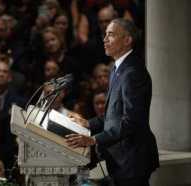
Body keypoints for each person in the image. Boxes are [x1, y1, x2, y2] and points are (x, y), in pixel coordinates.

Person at [65, 18, 159, 186]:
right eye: (105, 35)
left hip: (132, 159)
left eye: (111, 35)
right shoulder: (118, 68)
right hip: (122, 159)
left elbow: (131, 121)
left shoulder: (133, 72)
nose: (105, 40)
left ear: (127, 40)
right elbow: (114, 113)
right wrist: (88, 123)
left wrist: (94, 140)